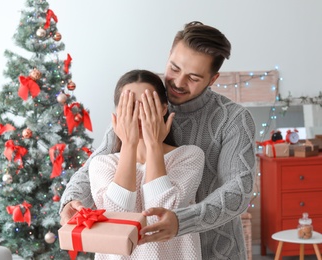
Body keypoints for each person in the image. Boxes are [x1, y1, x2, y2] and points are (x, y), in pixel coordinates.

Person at [60, 21, 256, 260]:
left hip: (218, 251)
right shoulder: (141, 104)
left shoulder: (234, 119)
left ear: (213, 79)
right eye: (174, 68)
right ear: (169, 57)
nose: (179, 82)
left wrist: (182, 221)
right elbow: (97, 164)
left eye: (193, 77)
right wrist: (72, 200)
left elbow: (239, 191)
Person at [89, 69, 204, 259]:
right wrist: (129, 144)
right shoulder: (101, 164)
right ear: (118, 114)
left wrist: (153, 144)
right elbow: (118, 217)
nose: (138, 116)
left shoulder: (189, 156)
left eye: (146, 106)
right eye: (129, 107)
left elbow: (159, 214)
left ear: (163, 109)